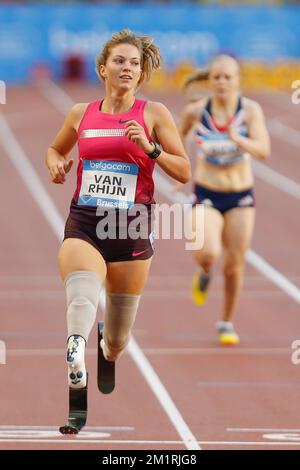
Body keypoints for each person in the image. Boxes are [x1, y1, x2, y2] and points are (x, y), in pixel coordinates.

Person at [45, 29, 191, 391]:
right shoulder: (81, 113)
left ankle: (105, 350)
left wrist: (150, 148)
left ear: (142, 74)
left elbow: (185, 172)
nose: (127, 68)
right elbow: (55, 149)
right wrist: (55, 163)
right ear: (102, 68)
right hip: (86, 221)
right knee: (81, 294)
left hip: (131, 227)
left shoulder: (154, 114)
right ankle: (75, 349)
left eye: (135, 64)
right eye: (119, 61)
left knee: (118, 339)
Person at [179, 54, 270, 345]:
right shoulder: (196, 111)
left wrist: (238, 139)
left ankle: (226, 322)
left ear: (237, 80)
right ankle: (204, 271)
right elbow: (176, 140)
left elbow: (263, 150)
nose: (221, 82)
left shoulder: (250, 111)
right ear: (209, 80)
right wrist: (176, 162)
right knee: (207, 253)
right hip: (207, 192)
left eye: (227, 77)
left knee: (234, 266)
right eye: (216, 76)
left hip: (241, 195)